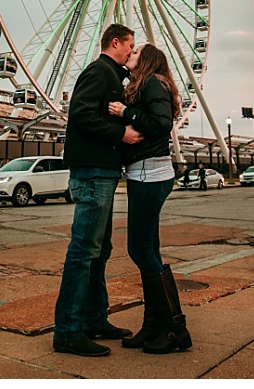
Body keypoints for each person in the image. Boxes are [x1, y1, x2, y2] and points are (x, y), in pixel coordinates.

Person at [52, 24, 144, 357]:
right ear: (114, 42)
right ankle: (67, 331)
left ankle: (94, 319)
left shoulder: (112, 74)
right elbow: (80, 114)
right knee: (83, 250)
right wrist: (120, 134)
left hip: (101, 170)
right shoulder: (99, 72)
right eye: (129, 45)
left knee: (100, 248)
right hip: (92, 171)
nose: (131, 51)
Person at [109, 43, 193, 353]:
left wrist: (124, 112)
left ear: (147, 60)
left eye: (135, 52)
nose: (129, 53)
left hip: (149, 173)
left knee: (140, 248)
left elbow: (162, 124)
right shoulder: (145, 85)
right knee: (149, 249)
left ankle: (175, 328)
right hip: (145, 172)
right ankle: (153, 324)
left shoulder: (154, 82)